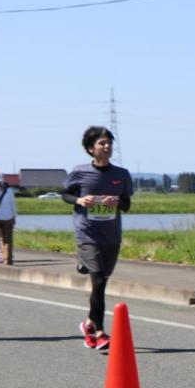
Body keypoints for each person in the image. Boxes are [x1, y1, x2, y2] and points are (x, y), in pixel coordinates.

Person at [62, 126, 133, 351]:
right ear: (91, 149)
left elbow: (127, 204)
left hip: (111, 236)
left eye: (109, 143)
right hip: (87, 234)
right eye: (102, 143)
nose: (107, 147)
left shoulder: (121, 175)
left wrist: (117, 202)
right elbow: (64, 194)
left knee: (101, 283)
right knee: (99, 282)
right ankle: (100, 332)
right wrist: (79, 201)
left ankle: (88, 323)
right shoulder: (79, 172)